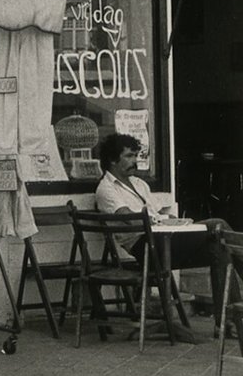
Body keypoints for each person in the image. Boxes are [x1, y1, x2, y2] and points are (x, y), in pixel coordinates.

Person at [94, 133, 233, 338]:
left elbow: (158, 213)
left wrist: (171, 220)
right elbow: (131, 220)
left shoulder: (139, 184)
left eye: (136, 155)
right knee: (217, 225)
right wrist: (160, 221)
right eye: (129, 156)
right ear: (113, 160)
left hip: (164, 239)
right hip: (145, 247)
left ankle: (226, 323)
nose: (134, 161)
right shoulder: (106, 189)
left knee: (220, 249)